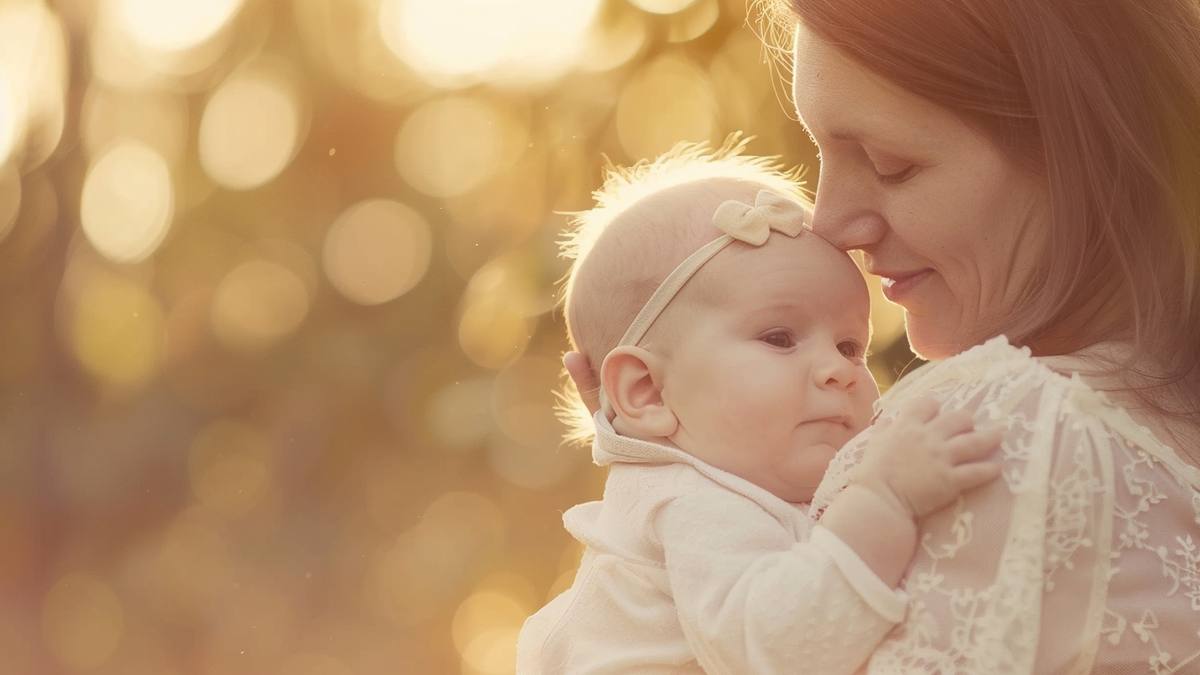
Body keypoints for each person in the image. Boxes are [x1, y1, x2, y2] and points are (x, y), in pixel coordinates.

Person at [560, 1, 1200, 672]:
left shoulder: (1023, 423)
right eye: (821, 154)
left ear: (1078, 154)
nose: (829, 223)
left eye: (892, 164)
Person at [517, 142, 1003, 674]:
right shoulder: (694, 506)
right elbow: (778, 651)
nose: (838, 370)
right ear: (648, 393)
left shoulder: (728, 483)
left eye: (849, 346)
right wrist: (885, 500)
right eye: (779, 337)